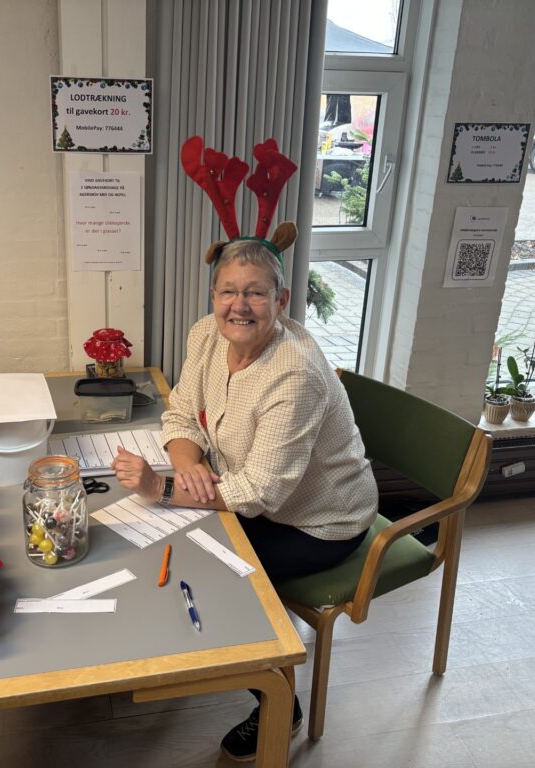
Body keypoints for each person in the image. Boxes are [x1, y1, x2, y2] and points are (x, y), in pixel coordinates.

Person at [111, 239, 378, 762]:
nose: (239, 305)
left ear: (281, 301)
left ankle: (279, 704)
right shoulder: (206, 335)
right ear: (213, 296)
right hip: (245, 490)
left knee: (212, 576)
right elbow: (183, 414)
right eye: (227, 292)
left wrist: (161, 489)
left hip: (318, 521)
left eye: (256, 293)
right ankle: (199, 652)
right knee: (174, 546)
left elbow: (260, 492)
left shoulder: (294, 374)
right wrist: (187, 467)